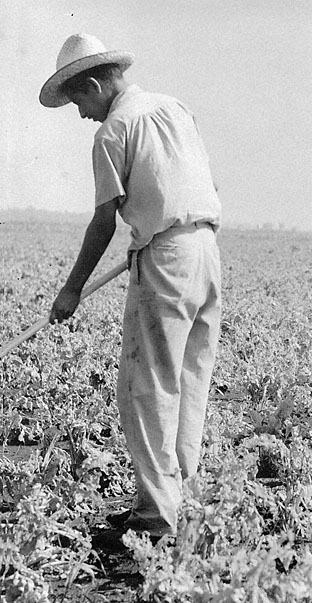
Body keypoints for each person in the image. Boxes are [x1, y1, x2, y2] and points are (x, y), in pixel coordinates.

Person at [40, 34, 222, 538]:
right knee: (187, 382)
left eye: (78, 100)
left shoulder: (114, 130)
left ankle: (157, 518)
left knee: (146, 388)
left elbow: (103, 222)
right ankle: (168, 500)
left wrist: (71, 290)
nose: (81, 114)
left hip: (165, 259)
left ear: (95, 84)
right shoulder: (175, 108)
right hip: (205, 249)